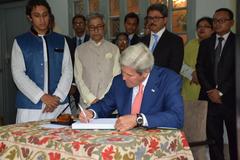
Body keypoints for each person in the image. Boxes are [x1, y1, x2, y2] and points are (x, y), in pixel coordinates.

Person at [79, 43, 184, 132]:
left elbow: (176, 117)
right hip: (124, 140)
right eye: (123, 72)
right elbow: (104, 105)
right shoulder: (119, 81)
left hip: (155, 142)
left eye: (129, 75)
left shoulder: (169, 80)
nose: (124, 78)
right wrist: (91, 113)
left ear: (145, 72)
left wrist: (138, 119)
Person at [11, 0, 73, 123]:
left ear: (49, 16)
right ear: (29, 17)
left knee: (61, 141)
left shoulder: (61, 40)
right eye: (37, 16)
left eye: (45, 15)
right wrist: (42, 97)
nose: (42, 19)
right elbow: (18, 74)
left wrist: (57, 97)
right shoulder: (20, 42)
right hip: (30, 107)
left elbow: (68, 70)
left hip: (58, 105)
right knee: (27, 141)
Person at [196, 8, 237, 160]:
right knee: (214, 138)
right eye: (215, 21)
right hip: (209, 98)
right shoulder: (206, 43)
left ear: (231, 23)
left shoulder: (236, 42)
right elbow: (199, 68)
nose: (217, 24)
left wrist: (220, 92)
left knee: (234, 138)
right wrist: (210, 90)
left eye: (222, 20)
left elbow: (237, 72)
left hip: (231, 99)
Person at [74, 13, 120, 109]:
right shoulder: (80, 50)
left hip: (109, 104)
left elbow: (116, 76)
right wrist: (91, 99)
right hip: (87, 104)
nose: (96, 30)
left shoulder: (114, 49)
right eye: (92, 27)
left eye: (99, 26)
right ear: (87, 29)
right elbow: (78, 78)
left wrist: (104, 99)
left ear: (104, 28)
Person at [141, 3, 184, 74]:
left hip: (164, 83)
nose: (152, 21)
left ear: (165, 20)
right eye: (150, 18)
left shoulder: (175, 41)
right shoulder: (142, 41)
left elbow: (174, 70)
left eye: (156, 18)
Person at [180, 17, 214, 101]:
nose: (202, 29)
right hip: (189, 85)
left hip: (208, 89)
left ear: (213, 30)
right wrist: (191, 73)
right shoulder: (191, 43)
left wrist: (200, 75)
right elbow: (179, 63)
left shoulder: (215, 45)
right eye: (199, 26)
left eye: (206, 26)